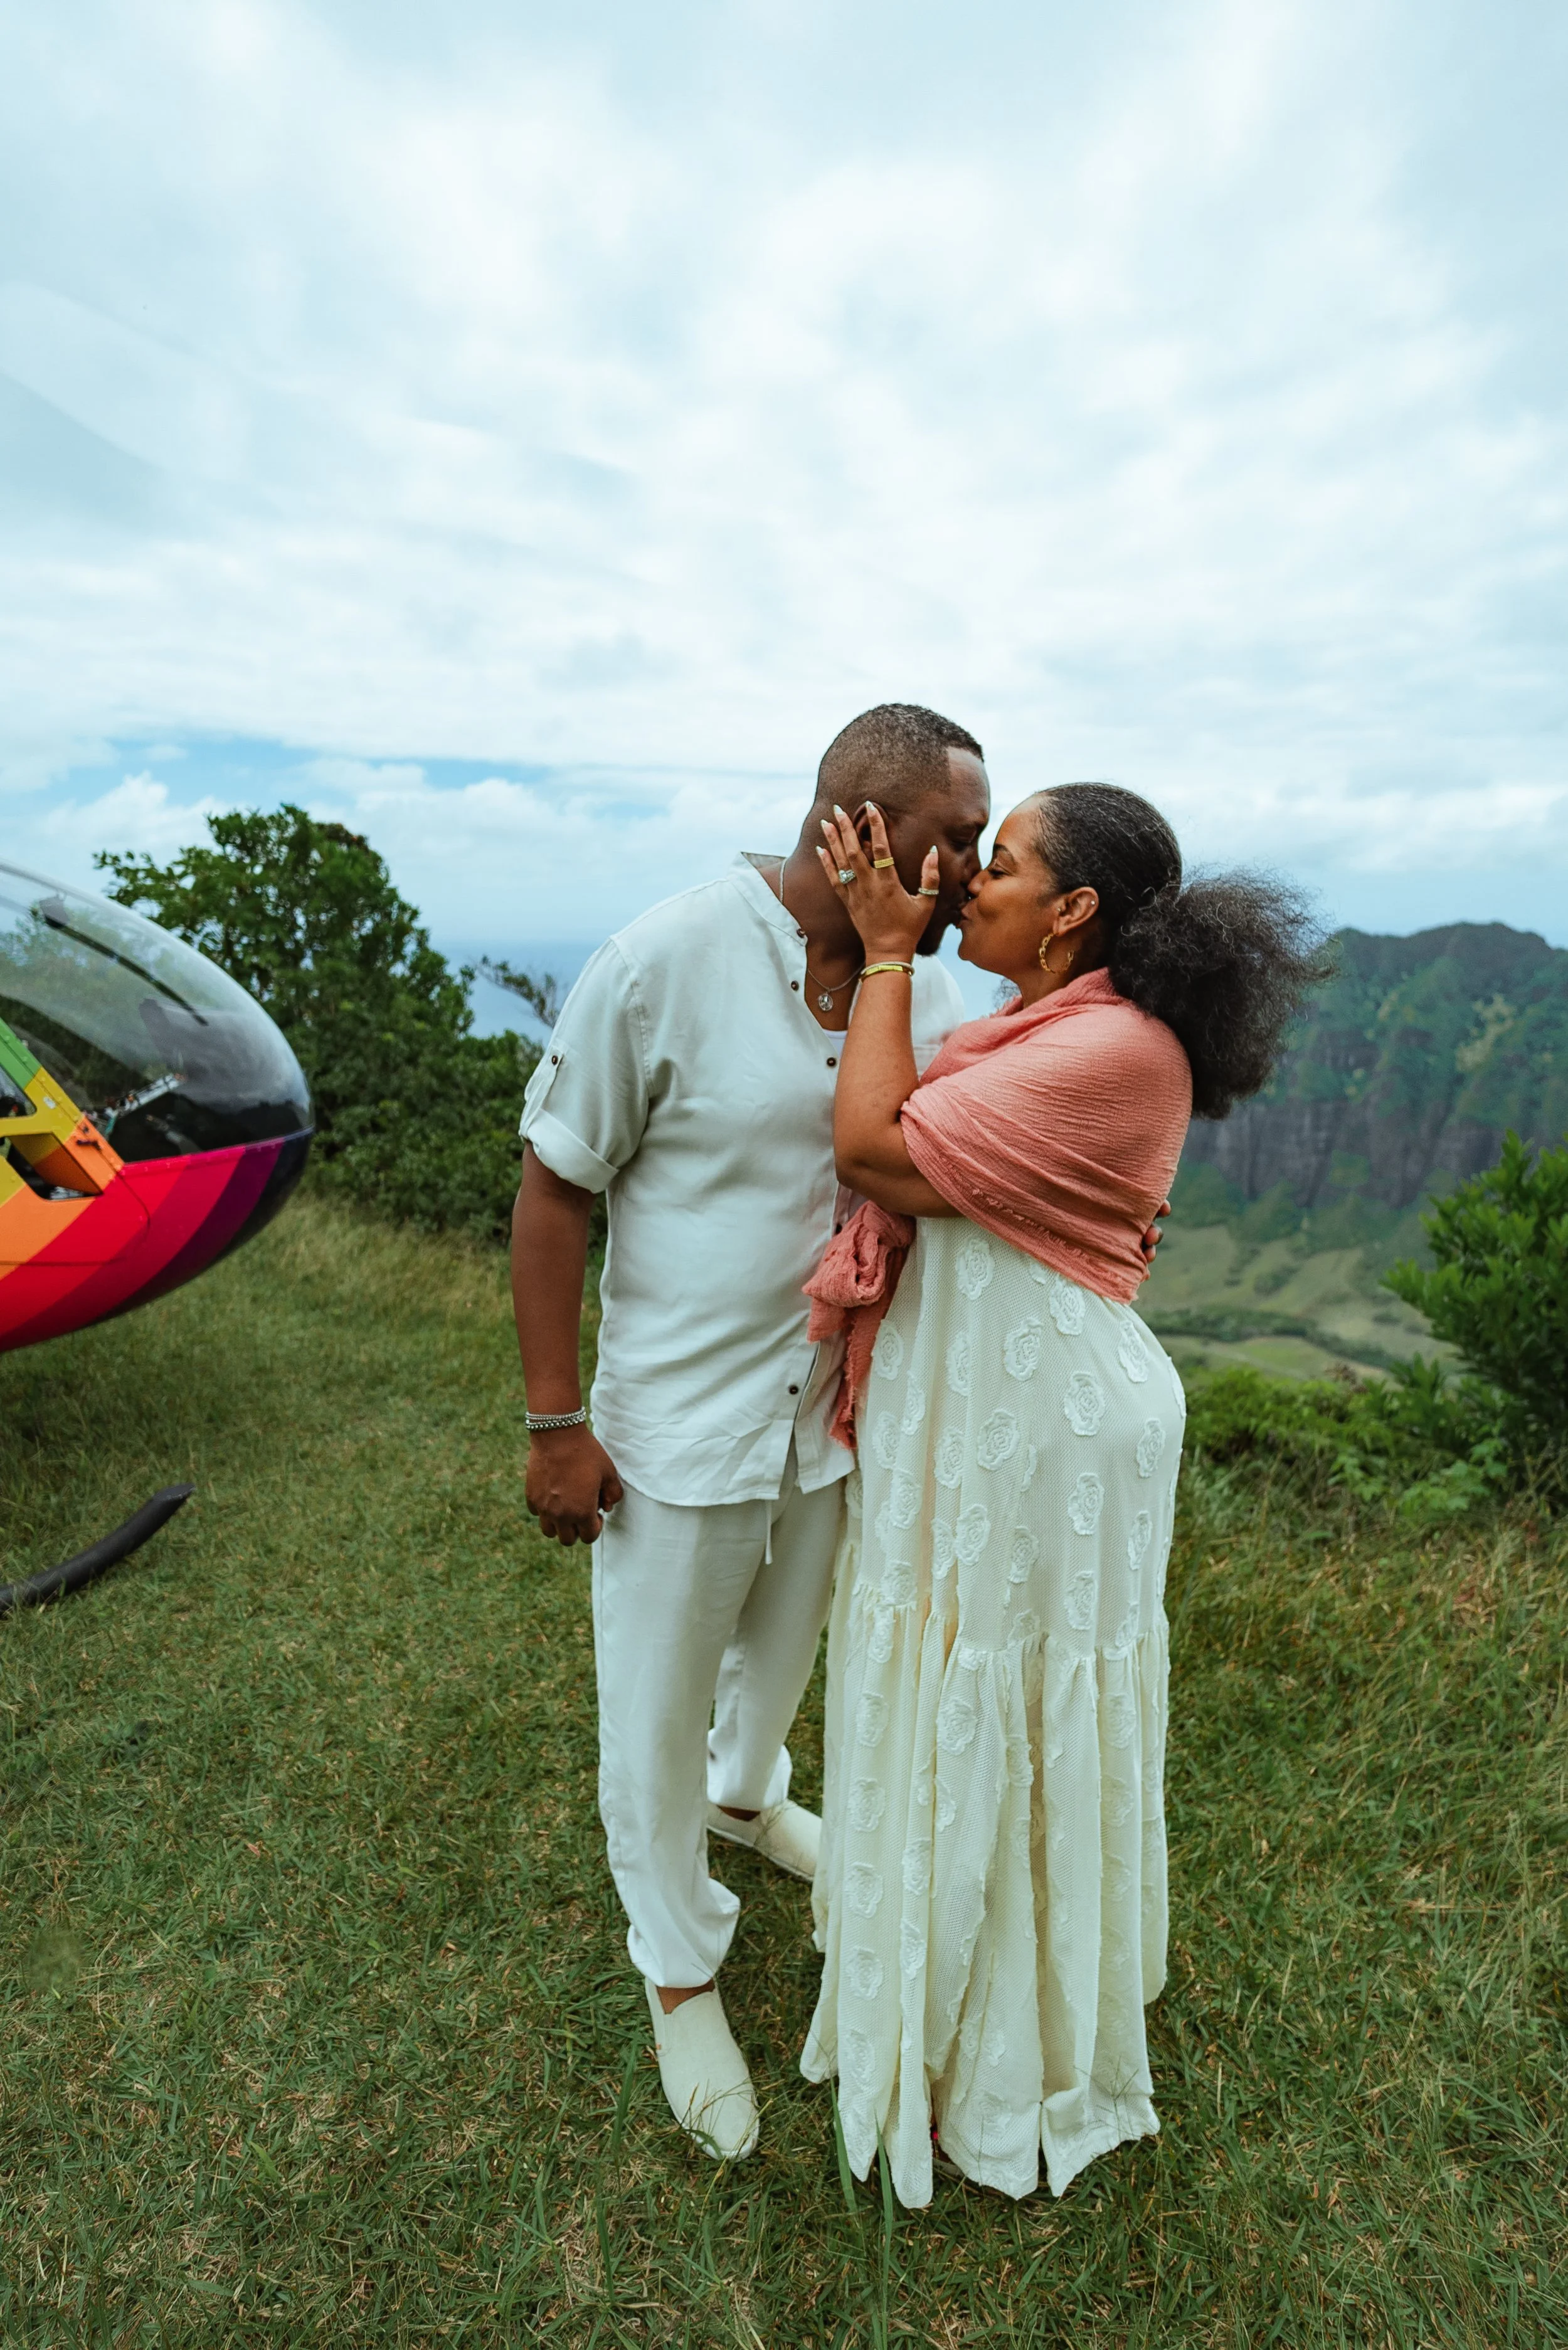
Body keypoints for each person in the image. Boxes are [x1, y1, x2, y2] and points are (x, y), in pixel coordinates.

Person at [799, 783, 1326, 2205]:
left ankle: (1008, 2052)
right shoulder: (1039, 1027)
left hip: (1040, 1427)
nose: (970, 879)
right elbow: (901, 1104)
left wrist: (888, 956)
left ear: (1074, 910)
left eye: (1004, 865)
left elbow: (873, 1150)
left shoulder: (1114, 1047)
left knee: (1013, 1704)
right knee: (966, 1684)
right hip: (984, 1413)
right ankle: (941, 1992)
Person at [510, 705, 991, 2160]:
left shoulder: (923, 997)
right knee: (650, 1703)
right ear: (852, 826)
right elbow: (552, 1189)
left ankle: (747, 1798)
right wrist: (553, 1422)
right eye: (950, 837)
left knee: (783, 1654)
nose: (968, 866)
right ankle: (677, 1966)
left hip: (830, 1422)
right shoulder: (668, 956)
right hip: (677, 1426)